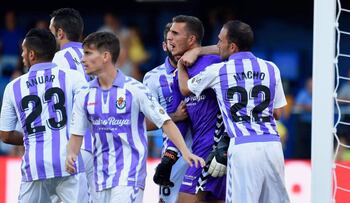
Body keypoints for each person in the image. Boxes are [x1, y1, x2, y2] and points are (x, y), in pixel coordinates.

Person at [65, 31, 204, 203]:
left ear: (105, 56)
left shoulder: (135, 89)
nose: (82, 59)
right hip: (98, 176)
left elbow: (165, 122)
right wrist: (71, 154)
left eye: (88, 53)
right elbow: (77, 134)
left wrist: (185, 151)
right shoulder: (83, 95)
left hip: (129, 175)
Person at [177, 20, 290, 203]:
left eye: (220, 41)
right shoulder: (271, 68)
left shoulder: (218, 71)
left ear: (232, 47)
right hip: (273, 146)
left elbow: (184, 88)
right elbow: (278, 113)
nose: (217, 45)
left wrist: (182, 65)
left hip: (243, 147)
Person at [0, 28, 87, 203]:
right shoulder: (73, 77)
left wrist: (33, 137)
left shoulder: (13, 86)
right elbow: (90, 110)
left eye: (23, 51)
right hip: (68, 163)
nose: (22, 55)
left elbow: (6, 135)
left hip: (35, 165)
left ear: (31, 54)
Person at [166, 15, 227, 203]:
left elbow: (234, 48)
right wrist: (168, 157)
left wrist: (199, 50)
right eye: (169, 33)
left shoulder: (214, 62)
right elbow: (181, 119)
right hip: (198, 149)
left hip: (214, 149)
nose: (170, 38)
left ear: (191, 39)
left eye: (176, 33)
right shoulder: (178, 73)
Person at [49, 8, 96, 202]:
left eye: (51, 32)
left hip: (73, 145)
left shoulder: (59, 58)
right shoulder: (94, 55)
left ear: (60, 33)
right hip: (99, 143)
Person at [143, 22, 192, 203]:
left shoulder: (202, 69)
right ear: (164, 45)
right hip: (173, 158)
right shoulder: (152, 77)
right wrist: (174, 116)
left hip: (204, 151)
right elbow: (144, 123)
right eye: (171, 42)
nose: (176, 46)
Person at [293, 77, 312, 158]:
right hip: (304, 124)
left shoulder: (320, 94)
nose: (311, 87)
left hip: (317, 126)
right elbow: (297, 105)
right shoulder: (303, 93)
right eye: (309, 85)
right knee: (302, 145)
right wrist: (308, 107)